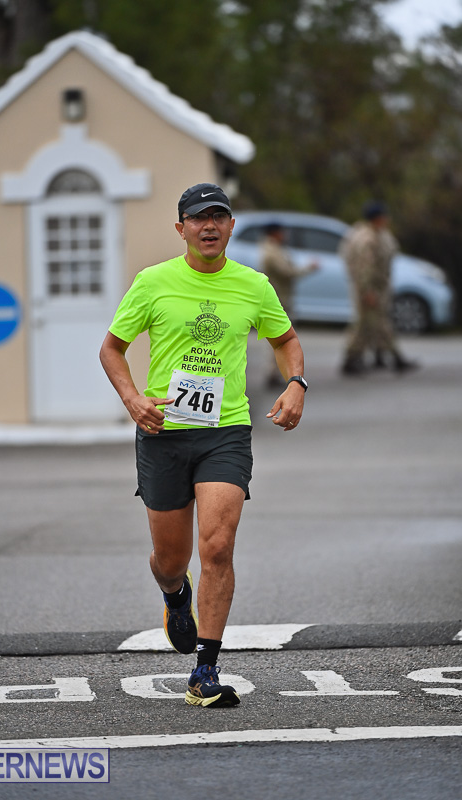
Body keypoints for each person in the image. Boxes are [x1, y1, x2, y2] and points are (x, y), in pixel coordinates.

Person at [99, 183, 307, 708]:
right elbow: (112, 349)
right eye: (198, 218)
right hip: (163, 432)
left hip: (226, 432)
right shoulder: (153, 283)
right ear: (181, 228)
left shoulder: (254, 285)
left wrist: (296, 384)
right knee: (171, 559)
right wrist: (133, 401)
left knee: (218, 545)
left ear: (233, 226)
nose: (209, 226)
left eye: (219, 216)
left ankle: (205, 671)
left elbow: (284, 340)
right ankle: (175, 594)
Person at [339, 200, 419, 376]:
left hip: (376, 288)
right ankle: (354, 359)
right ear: (377, 218)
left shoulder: (375, 234)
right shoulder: (368, 239)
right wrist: (367, 291)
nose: (387, 219)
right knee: (368, 325)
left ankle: (378, 356)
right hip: (370, 288)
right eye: (384, 216)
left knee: (374, 324)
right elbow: (365, 268)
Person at [260, 222, 319, 387]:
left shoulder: (276, 249)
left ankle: (276, 373)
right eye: (281, 232)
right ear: (274, 233)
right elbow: (288, 272)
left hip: (282, 298)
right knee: (280, 339)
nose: (284, 235)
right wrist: (309, 268)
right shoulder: (270, 252)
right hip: (276, 300)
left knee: (280, 338)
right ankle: (273, 373)